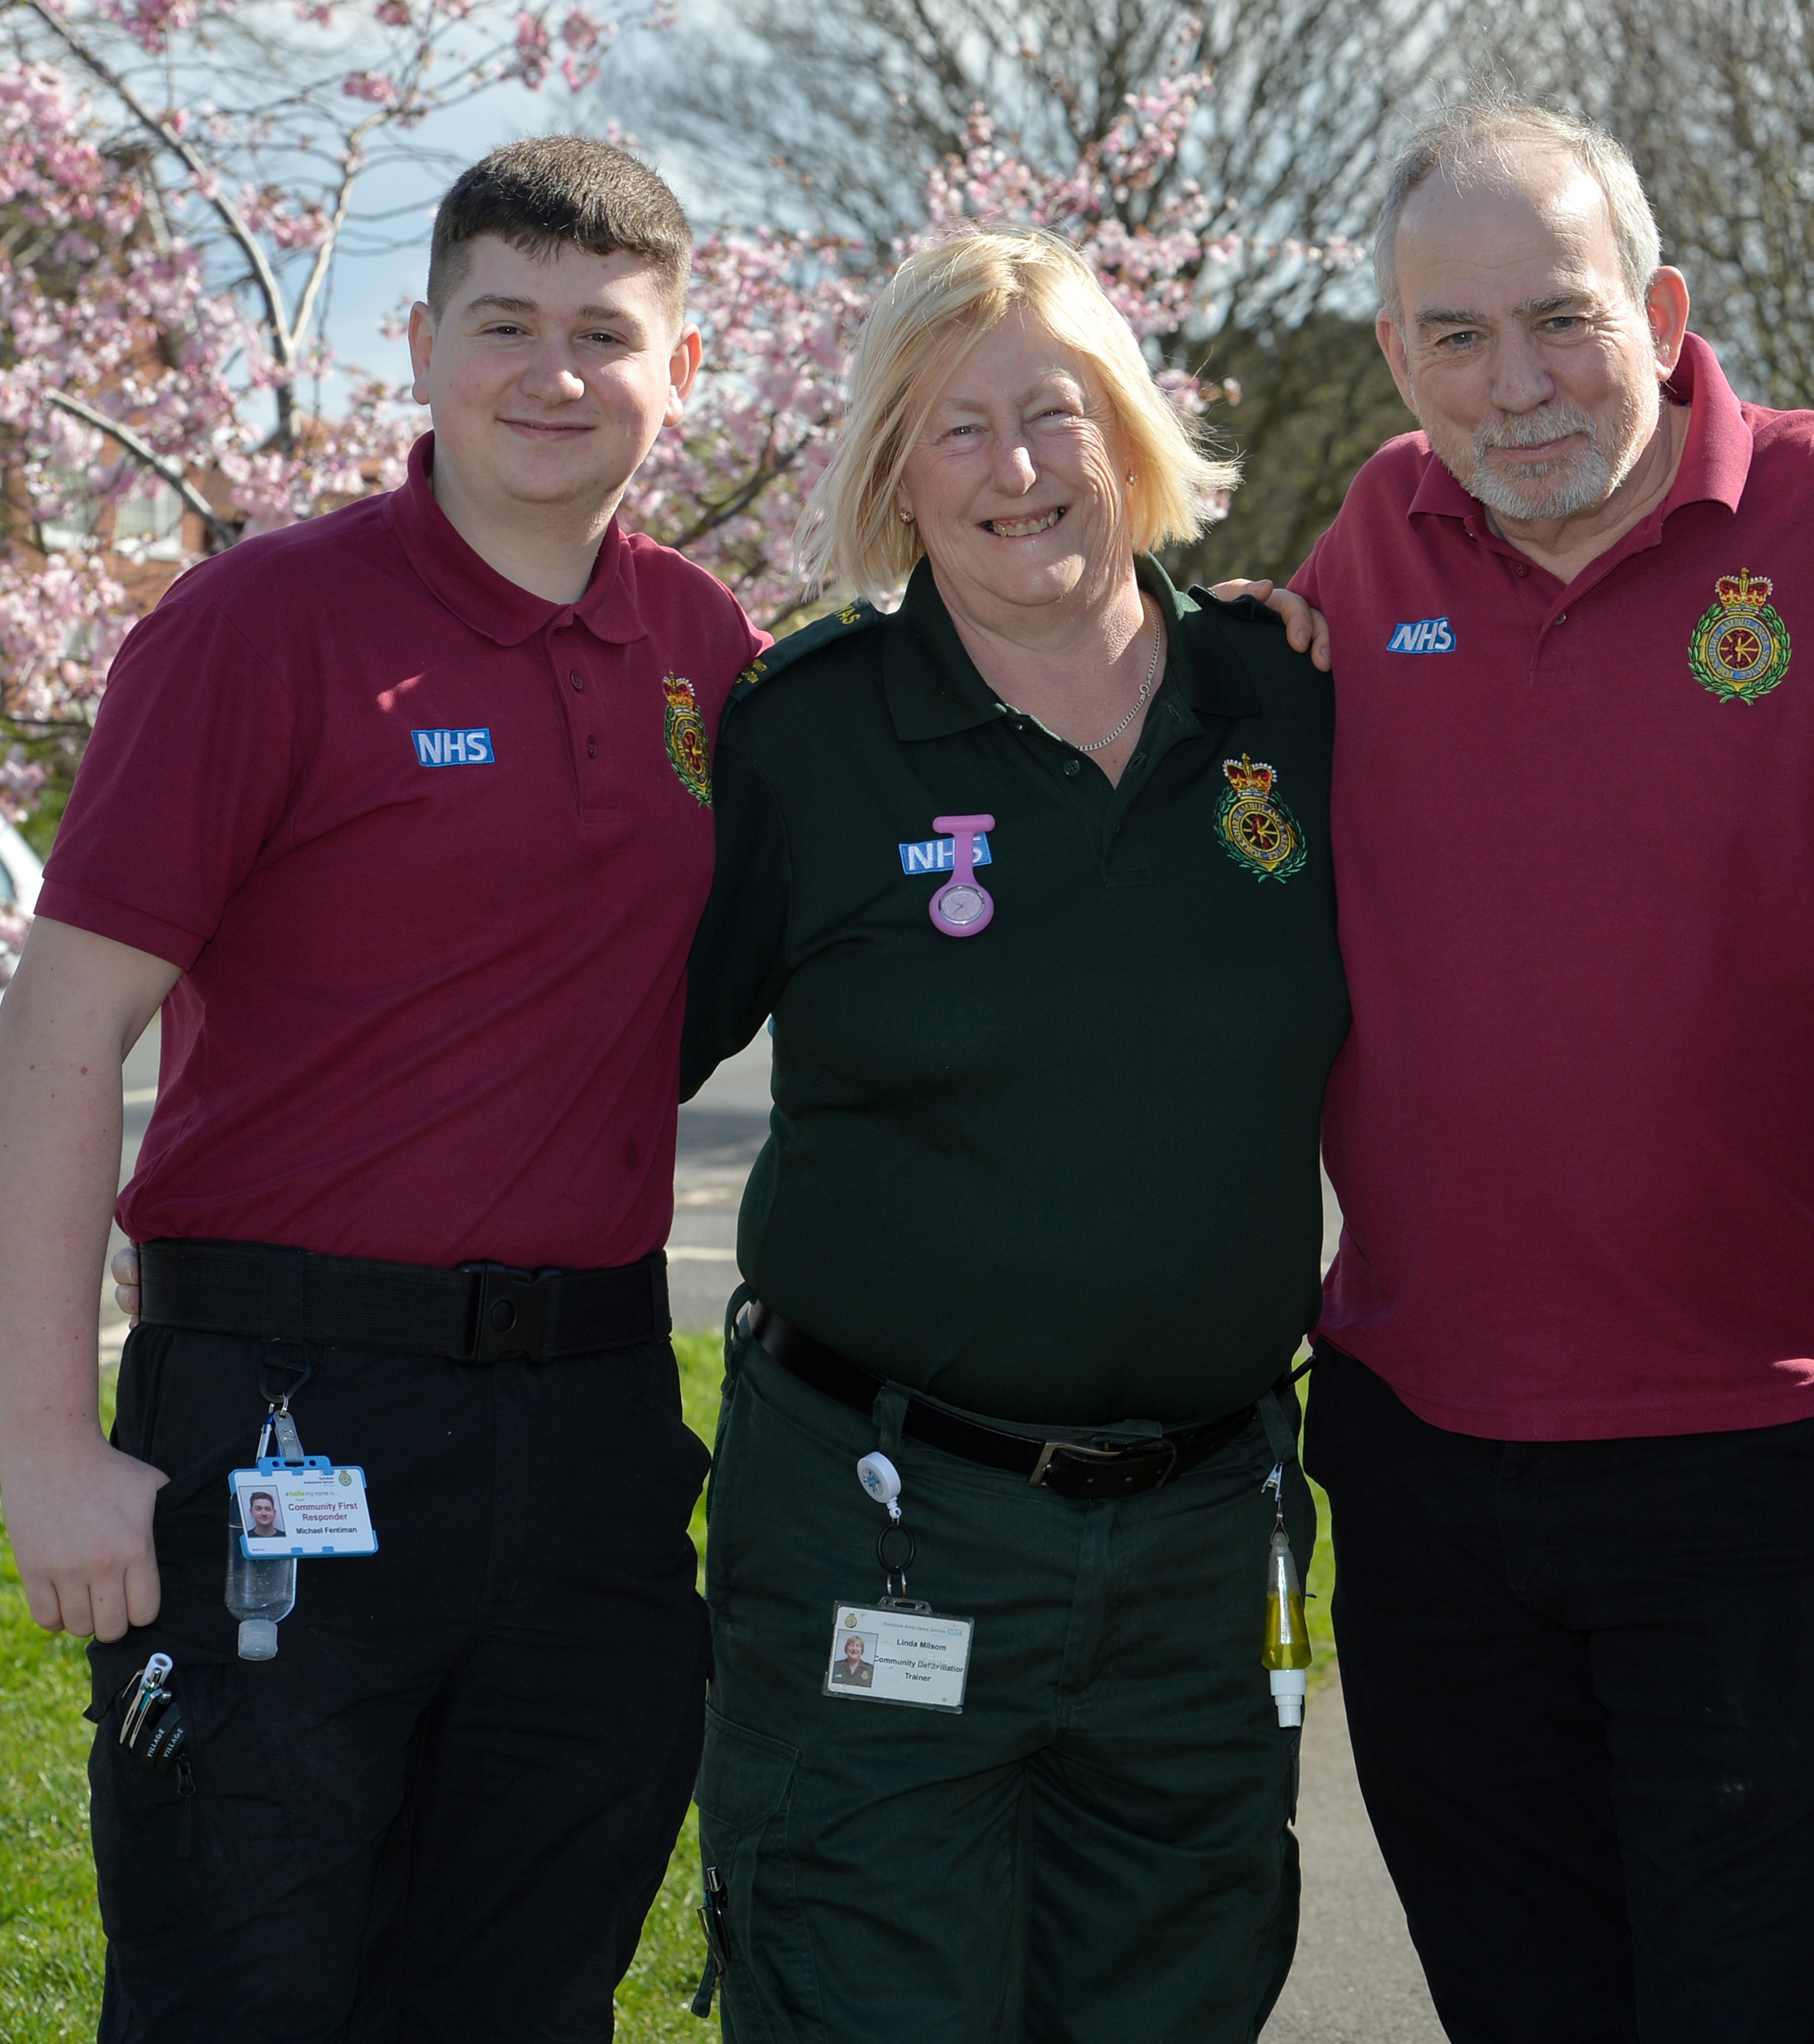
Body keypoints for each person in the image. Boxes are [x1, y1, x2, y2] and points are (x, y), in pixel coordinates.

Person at [1250, 92, 1814, 2042]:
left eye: (1562, 318)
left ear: (1665, 305)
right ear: (1394, 355)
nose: (1512, 384)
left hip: (1770, 1459)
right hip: (1429, 1468)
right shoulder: (1364, 550)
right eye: (1454, 336)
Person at [0, 138, 765, 2036]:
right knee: (243, 1986)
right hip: (283, 1402)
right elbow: (64, 1025)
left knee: (529, 1985)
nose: (554, 372)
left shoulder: (706, 652)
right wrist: (48, 1444)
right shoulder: (261, 623)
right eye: (506, 324)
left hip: (589, 1425)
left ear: (682, 370)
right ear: (418, 346)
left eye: (607, 333)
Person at [680, 226, 1344, 2042]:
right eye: (954, 431)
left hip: (1212, 1536)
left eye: (1052, 415)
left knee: (1175, 1995)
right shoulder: (806, 740)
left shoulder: (1290, 702)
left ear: (1128, 434)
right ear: (894, 471)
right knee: (857, 1994)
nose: (1018, 471)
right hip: (878, 1520)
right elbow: (605, 1057)